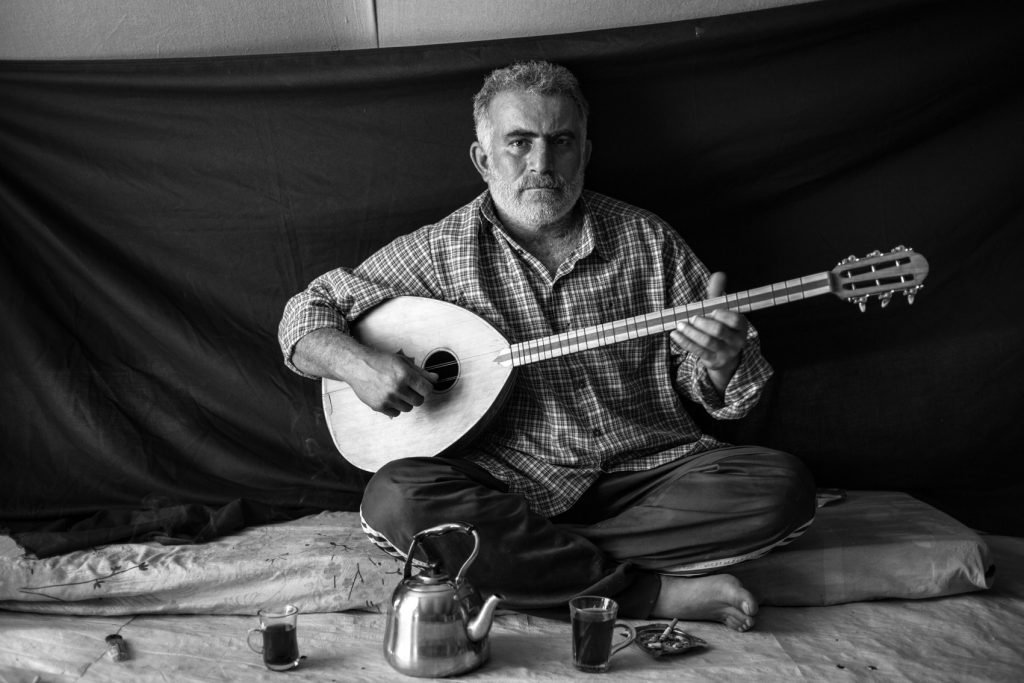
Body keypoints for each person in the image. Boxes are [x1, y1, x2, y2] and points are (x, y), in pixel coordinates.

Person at [279, 60, 816, 632]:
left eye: (561, 142)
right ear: (483, 159)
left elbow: (718, 385)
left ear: (584, 153)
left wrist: (720, 360)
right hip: (507, 485)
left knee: (779, 490)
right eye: (519, 143)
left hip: (645, 478)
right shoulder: (436, 252)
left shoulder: (647, 239)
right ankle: (647, 593)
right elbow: (303, 315)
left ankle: (527, 560)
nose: (542, 164)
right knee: (396, 500)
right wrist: (357, 363)